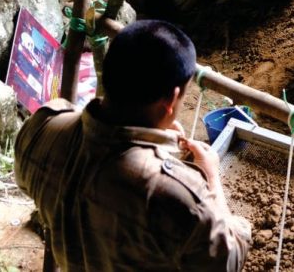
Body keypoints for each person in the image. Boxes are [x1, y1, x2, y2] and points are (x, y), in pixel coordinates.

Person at [14, 20, 251, 271]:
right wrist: (212, 177)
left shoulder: (41, 127)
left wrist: (155, 138)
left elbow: (29, 182)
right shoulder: (180, 196)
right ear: (171, 99)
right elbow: (229, 261)